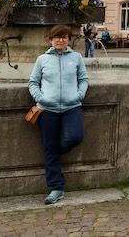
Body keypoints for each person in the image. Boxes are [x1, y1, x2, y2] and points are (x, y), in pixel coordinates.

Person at [28, 25, 88, 205]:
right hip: (48, 110)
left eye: (64, 37)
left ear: (69, 40)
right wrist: (41, 98)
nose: (60, 40)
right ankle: (56, 188)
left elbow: (83, 79)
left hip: (72, 107)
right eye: (57, 37)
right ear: (50, 40)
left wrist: (79, 95)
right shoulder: (42, 59)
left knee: (75, 137)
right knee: (49, 148)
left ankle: (55, 153)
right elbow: (33, 82)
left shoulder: (76, 57)